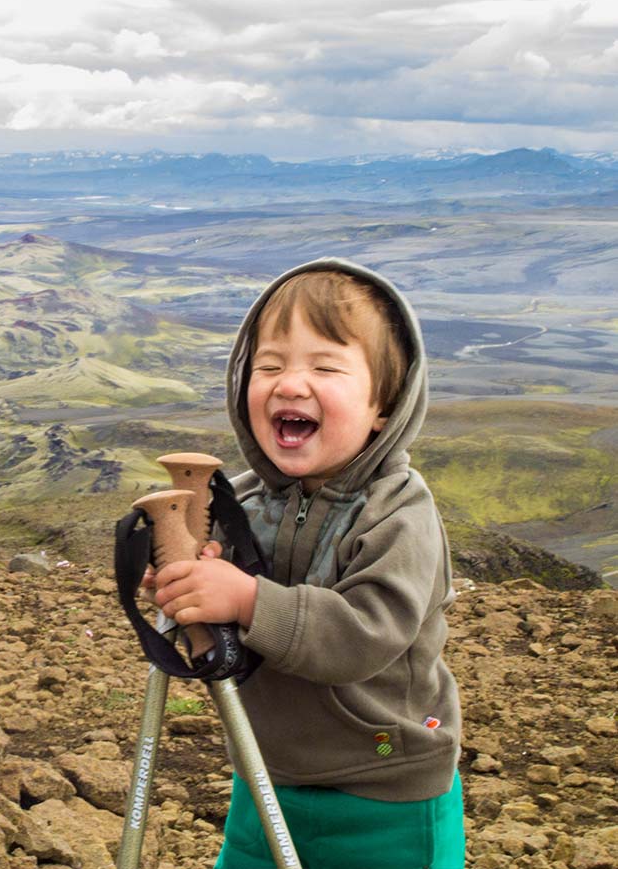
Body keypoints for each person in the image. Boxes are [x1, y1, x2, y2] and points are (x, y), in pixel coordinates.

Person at [148, 257, 465, 868]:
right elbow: (220, 627)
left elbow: (365, 635)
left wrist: (244, 598)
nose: (291, 384)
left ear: (384, 406)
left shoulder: (399, 513)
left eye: (325, 366)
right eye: (269, 365)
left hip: (384, 794)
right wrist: (187, 585)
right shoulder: (238, 503)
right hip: (266, 774)